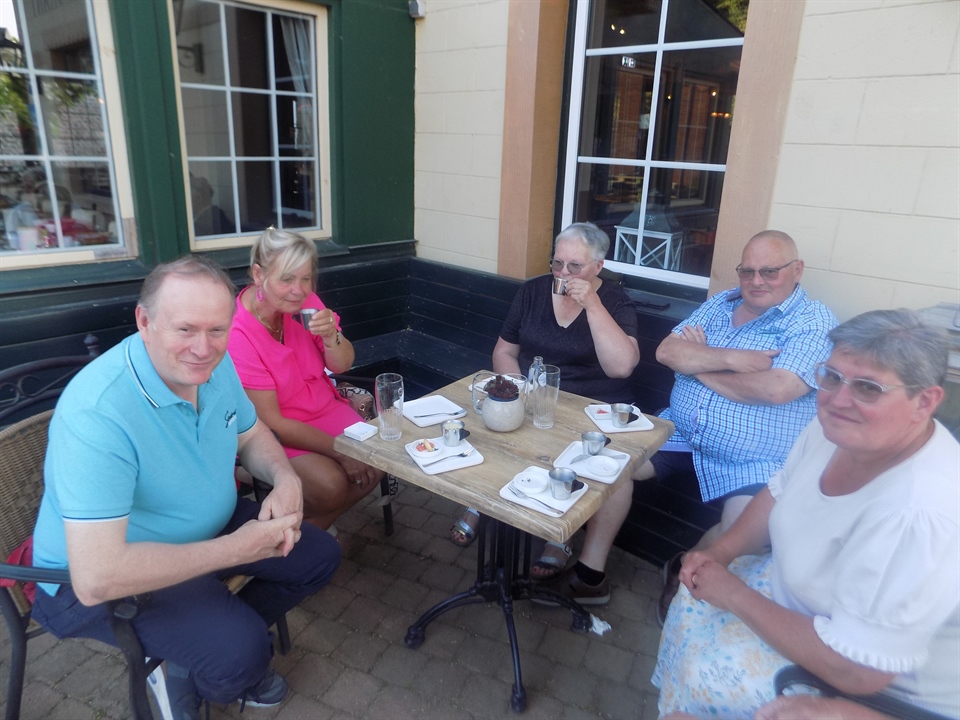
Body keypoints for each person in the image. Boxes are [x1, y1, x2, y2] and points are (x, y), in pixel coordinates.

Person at [30, 256, 342, 720]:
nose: (203, 348)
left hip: (204, 530)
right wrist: (234, 550)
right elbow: (96, 579)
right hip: (102, 577)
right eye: (185, 330)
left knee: (318, 556)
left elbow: (252, 434)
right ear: (145, 321)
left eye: (217, 330)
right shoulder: (98, 413)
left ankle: (196, 648)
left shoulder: (217, 366)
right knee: (243, 652)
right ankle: (209, 663)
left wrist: (285, 477)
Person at [653, 309, 960, 720]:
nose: (838, 399)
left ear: (924, 401)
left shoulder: (919, 513)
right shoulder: (837, 428)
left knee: (707, 676)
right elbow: (778, 492)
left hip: (866, 686)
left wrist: (734, 594)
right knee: (690, 604)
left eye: (868, 388)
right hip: (794, 598)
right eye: (831, 377)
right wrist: (721, 552)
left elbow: (860, 669)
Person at [562, 230, 837, 608]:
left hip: (752, 458)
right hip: (681, 432)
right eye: (747, 271)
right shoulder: (722, 303)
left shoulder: (813, 321)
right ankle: (590, 575)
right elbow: (667, 352)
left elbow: (777, 389)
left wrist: (698, 364)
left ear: (797, 270)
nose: (756, 281)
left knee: (745, 532)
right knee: (606, 465)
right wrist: (732, 360)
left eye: (769, 272)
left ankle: (682, 572)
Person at [450, 221, 641, 584]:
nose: (563, 274)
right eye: (557, 263)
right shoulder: (533, 291)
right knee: (494, 425)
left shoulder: (615, 301)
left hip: (592, 408)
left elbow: (621, 368)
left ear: (598, 266)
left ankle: (568, 543)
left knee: (611, 471)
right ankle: (482, 502)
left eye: (575, 266)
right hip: (534, 398)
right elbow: (504, 352)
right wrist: (518, 392)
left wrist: (593, 305)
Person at [227, 228, 382, 531]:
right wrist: (342, 453)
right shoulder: (239, 333)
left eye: (305, 278)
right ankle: (300, 527)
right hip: (278, 430)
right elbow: (273, 422)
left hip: (325, 409)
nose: (298, 290)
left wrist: (331, 337)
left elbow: (342, 363)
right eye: (286, 279)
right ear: (259, 275)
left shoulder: (305, 304)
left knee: (380, 459)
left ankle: (304, 533)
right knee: (332, 487)